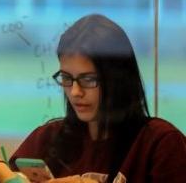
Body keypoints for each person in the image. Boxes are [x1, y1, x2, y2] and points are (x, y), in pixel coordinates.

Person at [11, 14, 186, 182]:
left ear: (118, 79)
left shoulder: (160, 144)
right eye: (66, 78)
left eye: (88, 80)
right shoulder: (46, 139)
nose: (75, 92)